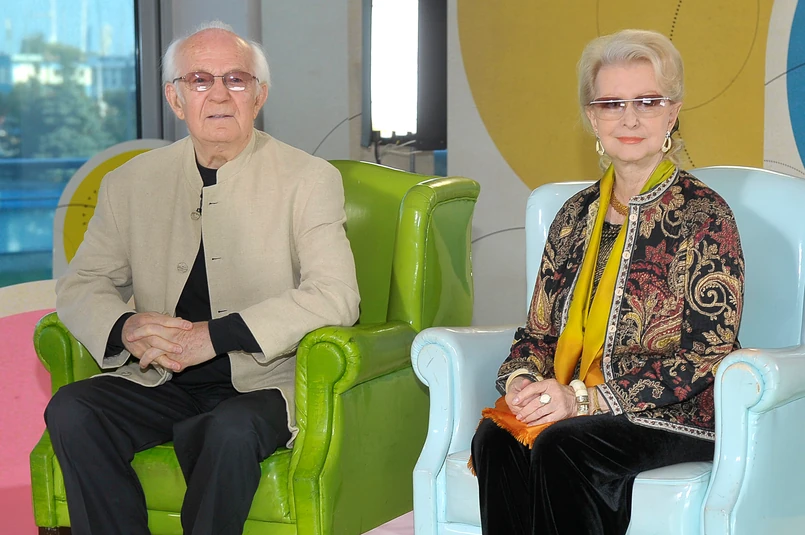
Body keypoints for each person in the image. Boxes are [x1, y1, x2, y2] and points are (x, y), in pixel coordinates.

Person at [44, 21, 360, 535]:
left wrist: (215, 336)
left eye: (235, 79)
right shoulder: (130, 182)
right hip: (161, 378)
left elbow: (336, 296)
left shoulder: (308, 178)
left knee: (229, 431)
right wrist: (125, 326)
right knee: (74, 409)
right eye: (199, 80)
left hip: (262, 382)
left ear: (258, 96)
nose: (218, 94)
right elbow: (82, 284)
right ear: (175, 98)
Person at [471, 29, 744, 535]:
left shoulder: (705, 215)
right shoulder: (572, 217)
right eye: (612, 103)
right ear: (592, 118)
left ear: (672, 113)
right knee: (496, 436)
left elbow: (709, 354)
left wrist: (586, 401)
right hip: (578, 400)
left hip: (676, 411)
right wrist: (523, 384)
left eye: (647, 101)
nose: (630, 118)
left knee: (565, 443)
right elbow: (537, 334)